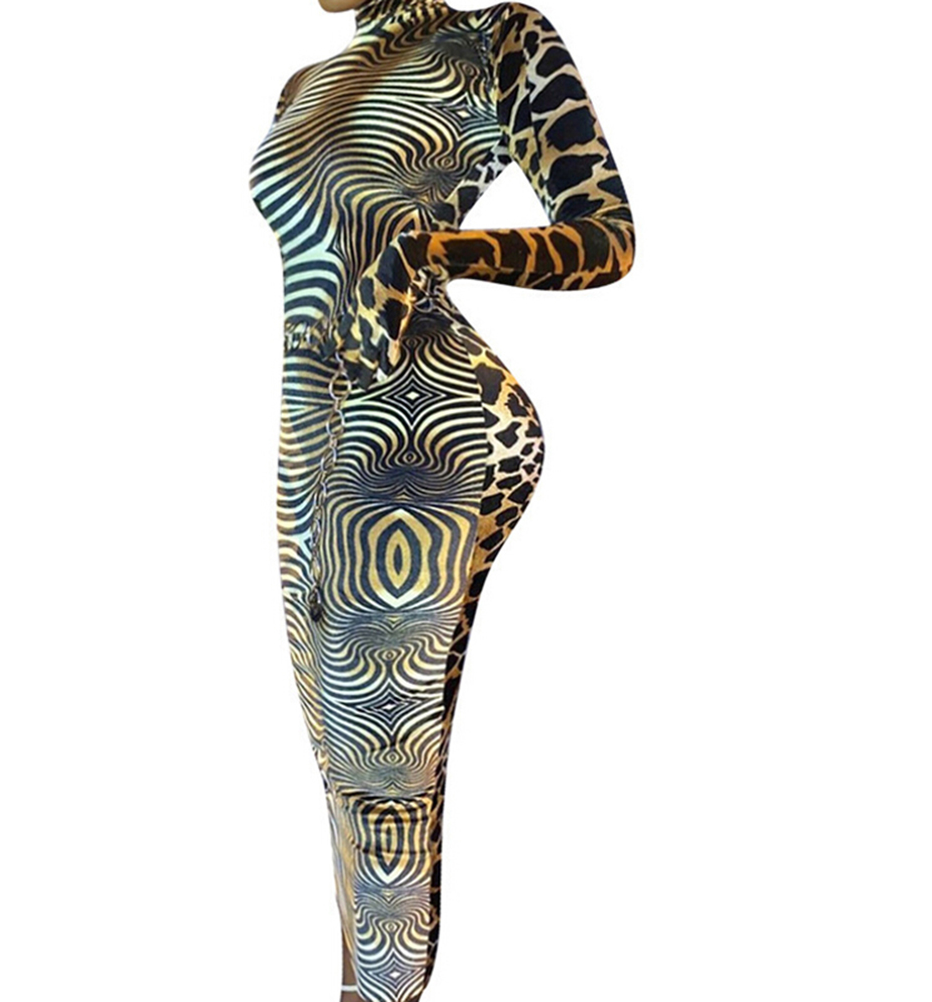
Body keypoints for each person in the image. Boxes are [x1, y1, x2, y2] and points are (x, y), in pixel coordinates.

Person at [249, 1, 635, 998]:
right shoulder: (303, 87)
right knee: (336, 753)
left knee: (386, 769)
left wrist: (433, 252)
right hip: (314, 424)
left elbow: (605, 238)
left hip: (426, 424)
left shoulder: (497, 39)